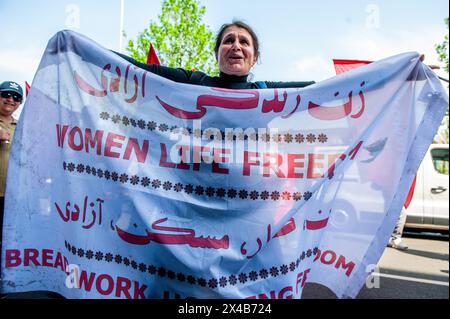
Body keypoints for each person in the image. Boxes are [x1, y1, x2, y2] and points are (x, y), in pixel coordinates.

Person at [114, 20, 315, 89]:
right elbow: (142, 69)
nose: (236, 46)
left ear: (254, 58)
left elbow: (317, 89)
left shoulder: (267, 93)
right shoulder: (195, 81)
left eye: (244, 42)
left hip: (249, 186)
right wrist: (85, 49)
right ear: (216, 54)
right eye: (228, 41)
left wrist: (348, 82)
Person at [0, 81, 23, 256]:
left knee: (7, 237)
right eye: (6, 95)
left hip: (11, 194)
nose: (10, 99)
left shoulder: (23, 126)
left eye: (16, 97)